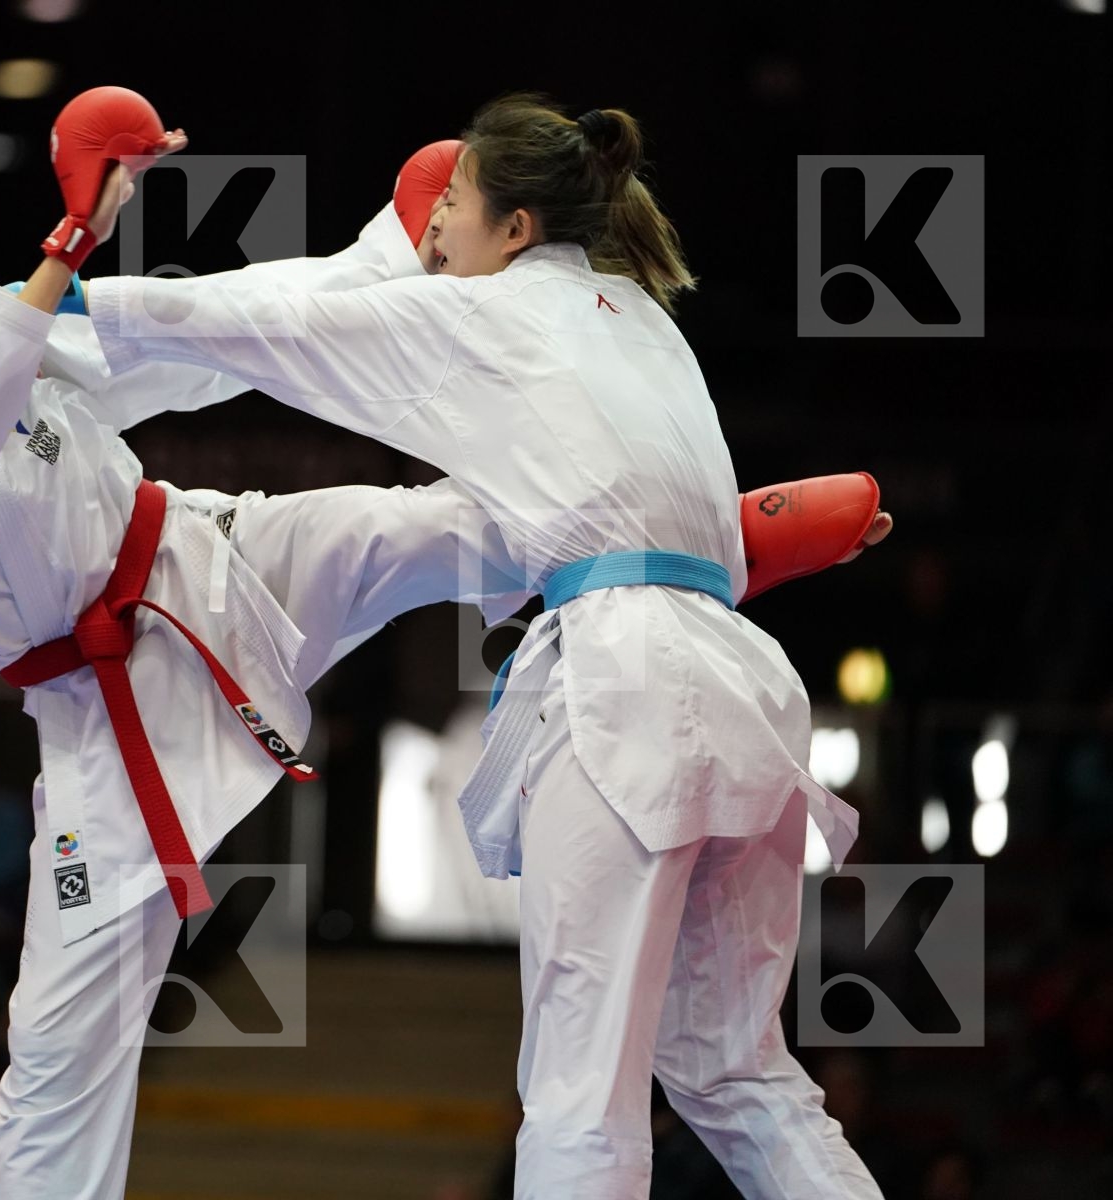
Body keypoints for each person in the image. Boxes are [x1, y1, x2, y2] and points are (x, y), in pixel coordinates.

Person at [0, 92, 885, 1197]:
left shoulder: (11, 345)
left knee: (439, 523)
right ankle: (694, 548)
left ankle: (687, 547)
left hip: (207, 554)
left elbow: (216, 346)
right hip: (97, 704)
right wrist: (63, 247)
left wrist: (396, 242)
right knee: (61, 1048)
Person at [84, 93, 886, 1198]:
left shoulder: (490, 313)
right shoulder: (646, 318)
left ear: (515, 229)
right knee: (736, 1070)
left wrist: (63, 303)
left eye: (451, 206)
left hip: (627, 680)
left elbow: (269, 324)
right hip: (743, 678)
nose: (430, 235)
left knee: (579, 1090)